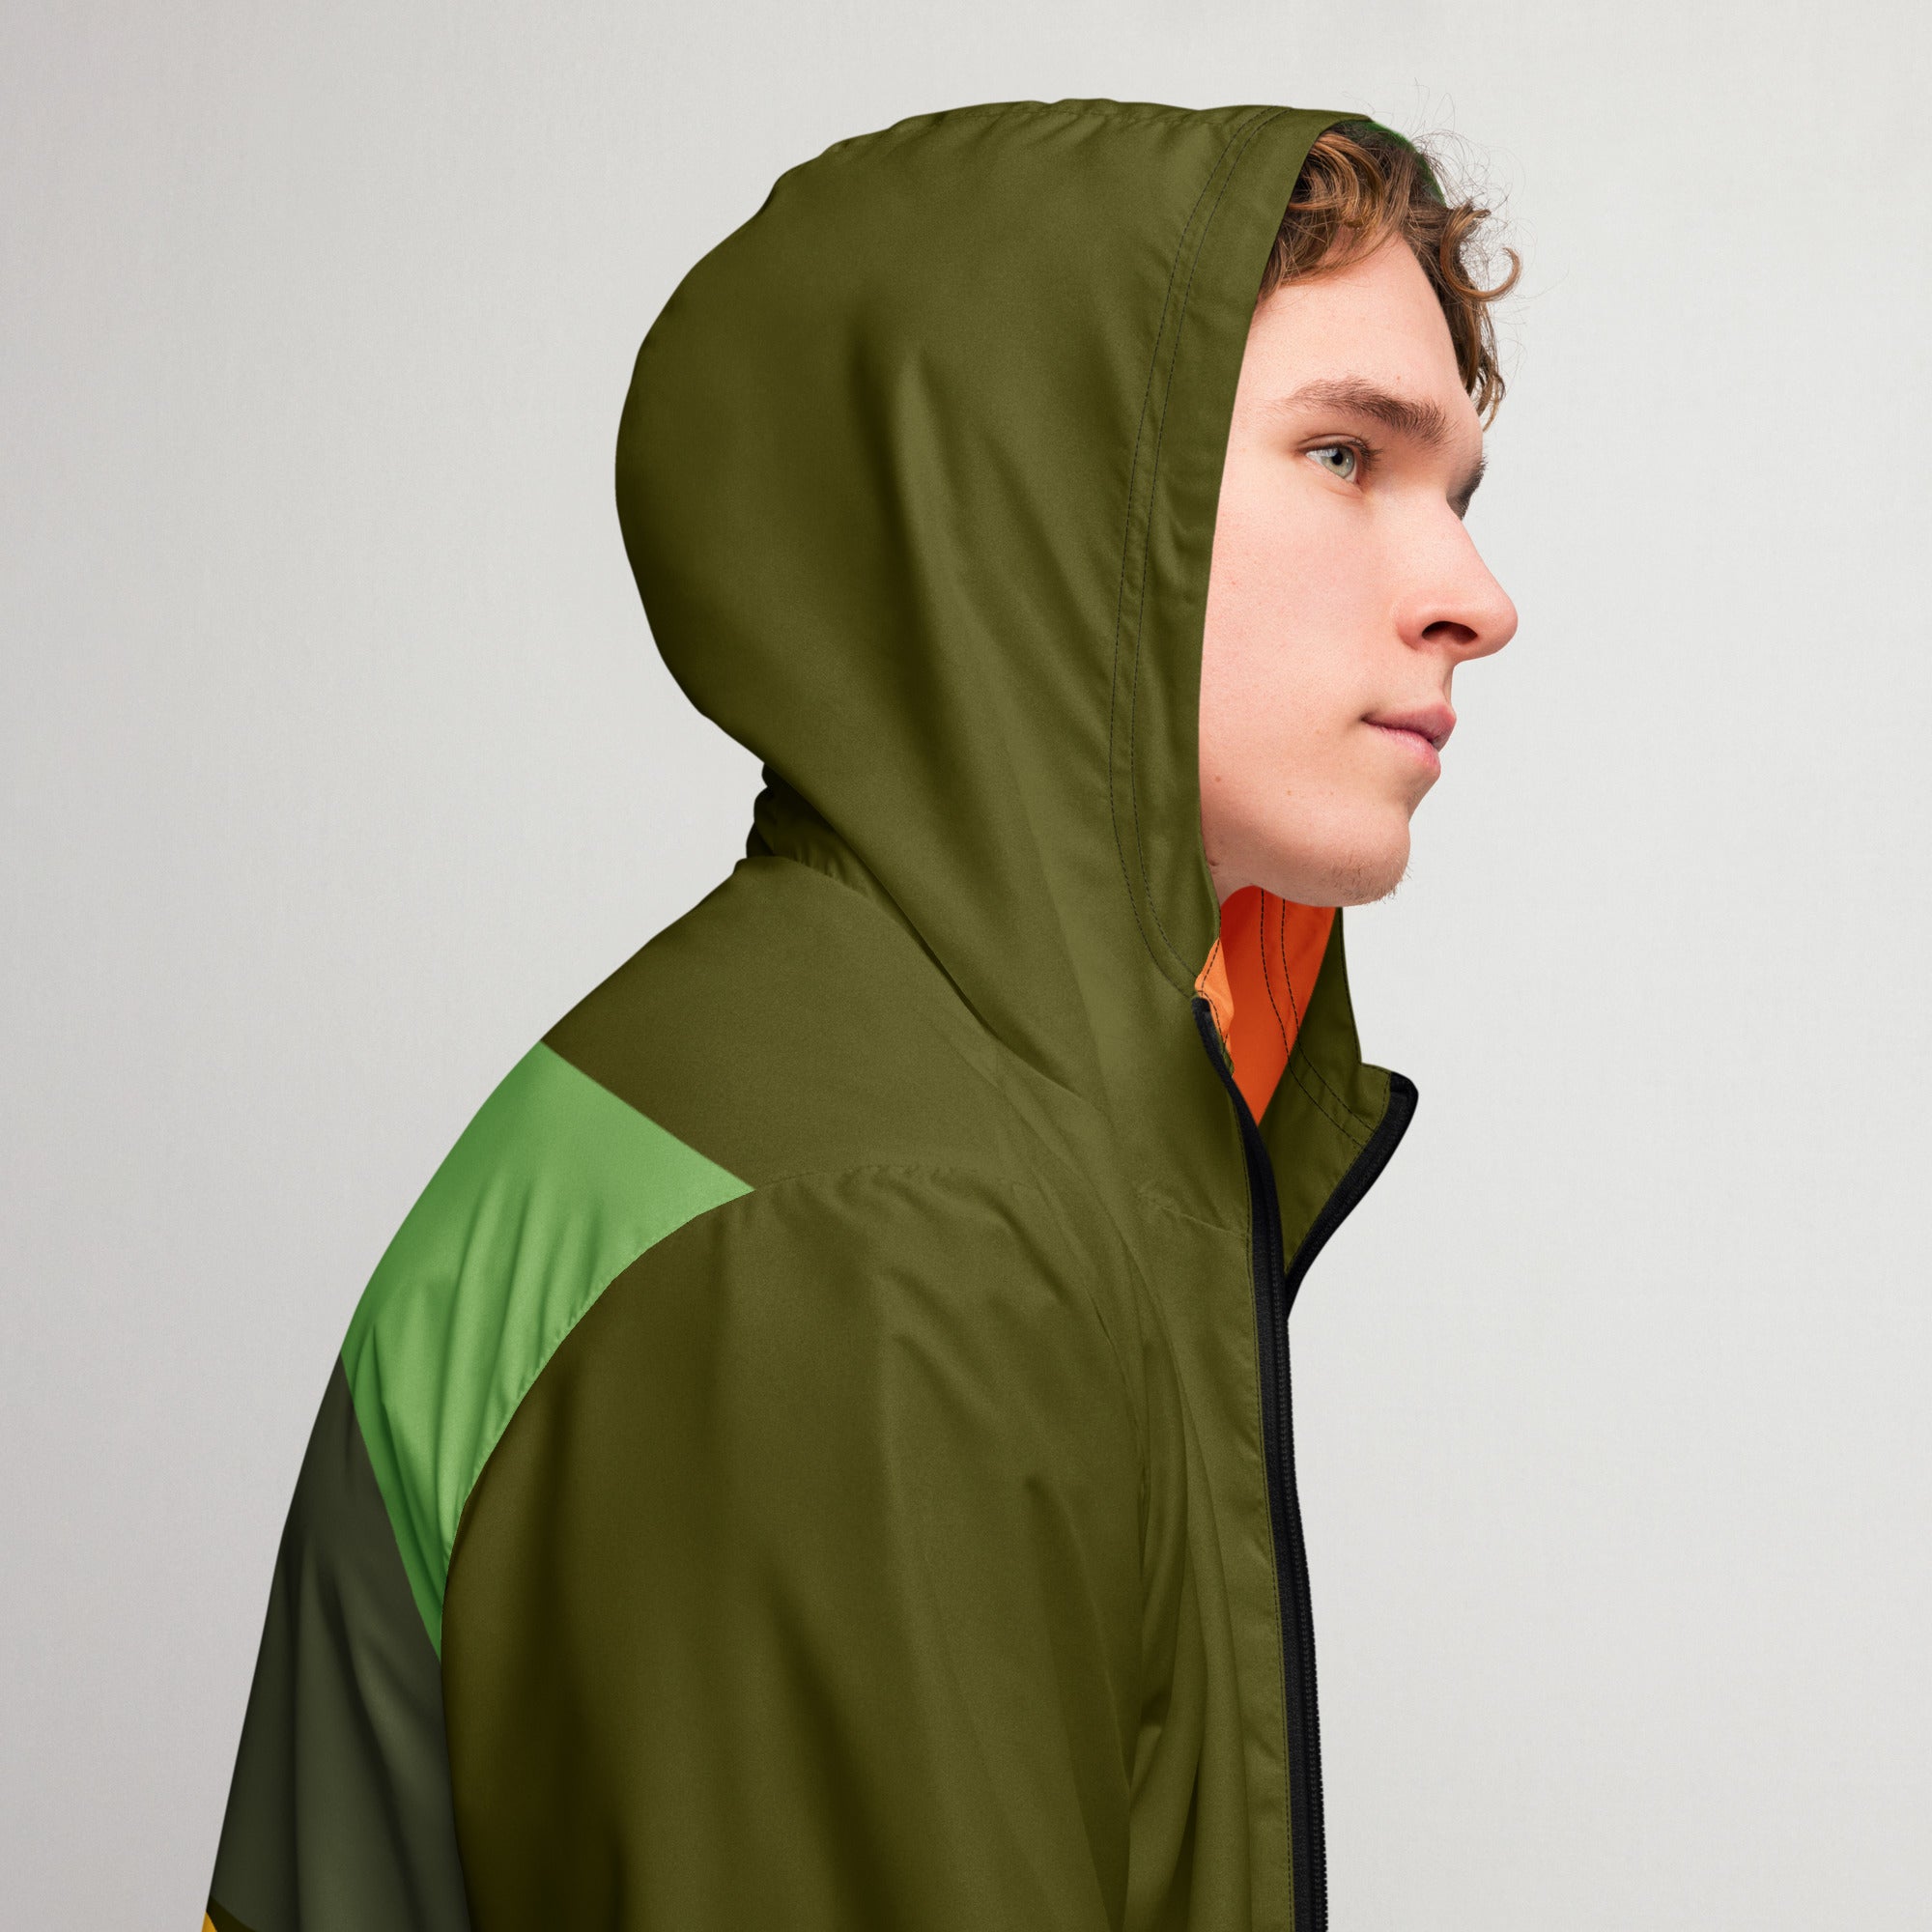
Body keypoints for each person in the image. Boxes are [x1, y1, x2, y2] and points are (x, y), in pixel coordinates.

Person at [203, 100, 1517, 1932]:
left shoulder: (941, 1113)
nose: (1475, 600)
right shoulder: (876, 1237)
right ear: (1032, 497)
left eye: (1460, 494)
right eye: (1343, 456)